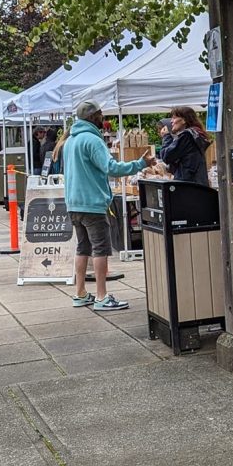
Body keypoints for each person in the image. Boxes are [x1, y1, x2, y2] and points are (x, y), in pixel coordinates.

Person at [64, 100, 156, 311]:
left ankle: (80, 293)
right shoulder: (92, 141)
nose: (103, 118)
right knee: (100, 250)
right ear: (93, 117)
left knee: (82, 248)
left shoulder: (70, 141)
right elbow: (111, 167)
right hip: (93, 204)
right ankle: (101, 296)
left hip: (74, 203)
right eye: (100, 114)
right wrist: (140, 164)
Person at [157, 106, 211, 186]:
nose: (171, 121)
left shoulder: (187, 136)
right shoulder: (195, 135)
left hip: (188, 185)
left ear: (184, 120)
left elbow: (166, 156)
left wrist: (166, 137)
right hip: (195, 183)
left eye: (174, 118)